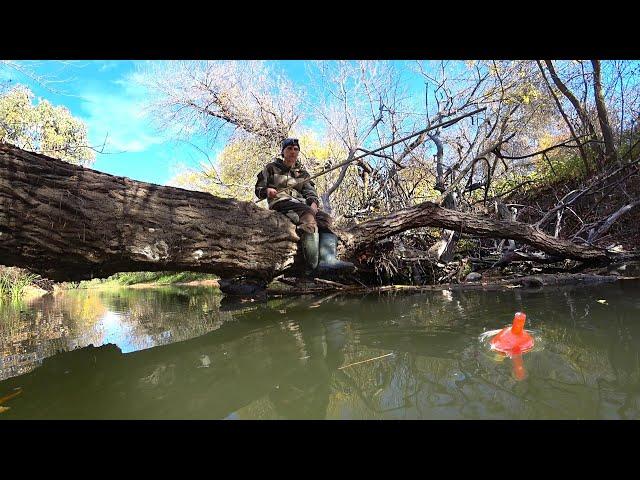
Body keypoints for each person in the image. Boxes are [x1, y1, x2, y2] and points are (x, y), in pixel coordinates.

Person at [255, 138, 354, 275]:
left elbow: (310, 192)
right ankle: (313, 266)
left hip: (302, 205)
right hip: (281, 203)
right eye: (289, 149)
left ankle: (328, 260)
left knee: (326, 219)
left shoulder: (303, 173)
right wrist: (267, 191)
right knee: (307, 215)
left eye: (296, 149)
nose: (293, 152)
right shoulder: (271, 168)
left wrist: (314, 203)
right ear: (283, 152)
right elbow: (259, 189)